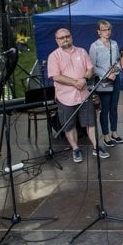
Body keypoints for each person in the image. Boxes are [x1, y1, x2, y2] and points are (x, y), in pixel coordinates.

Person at [47, 28, 110, 163]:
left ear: (71, 37)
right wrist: (75, 82)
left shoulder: (82, 51)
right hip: (65, 97)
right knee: (69, 125)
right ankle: (75, 148)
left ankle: (96, 147)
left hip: (84, 95)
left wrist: (83, 79)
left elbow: (90, 69)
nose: (65, 39)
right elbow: (56, 77)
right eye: (61, 37)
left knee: (90, 122)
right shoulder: (54, 56)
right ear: (56, 40)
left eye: (67, 36)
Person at [89, 20, 123, 147]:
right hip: (103, 81)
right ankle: (106, 135)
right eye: (104, 30)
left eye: (108, 29)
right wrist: (106, 74)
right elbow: (92, 66)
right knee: (105, 108)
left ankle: (114, 132)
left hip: (116, 78)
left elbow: (118, 60)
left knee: (114, 107)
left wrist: (117, 69)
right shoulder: (95, 46)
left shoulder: (114, 44)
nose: (107, 32)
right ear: (98, 32)